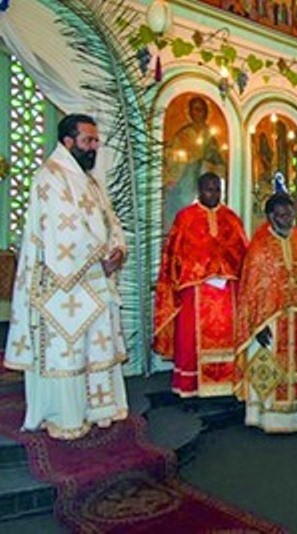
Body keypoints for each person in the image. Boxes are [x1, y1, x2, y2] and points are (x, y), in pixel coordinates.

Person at [4, 114, 128, 439]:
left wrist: (118, 249)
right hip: (62, 287)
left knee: (95, 348)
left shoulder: (90, 181)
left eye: (95, 140)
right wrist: (101, 258)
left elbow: (110, 219)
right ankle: (65, 415)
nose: (94, 146)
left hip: (94, 280)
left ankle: (97, 409)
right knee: (67, 352)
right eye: (88, 140)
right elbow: (63, 231)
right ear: (68, 141)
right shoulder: (51, 176)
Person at [152, 172, 248, 398]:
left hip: (226, 293)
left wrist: (226, 271)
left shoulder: (232, 219)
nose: (213, 194)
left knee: (228, 337)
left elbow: (243, 254)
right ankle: (190, 384)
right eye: (209, 190)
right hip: (194, 292)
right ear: (199, 190)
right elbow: (173, 256)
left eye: (217, 190)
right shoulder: (185, 218)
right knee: (190, 340)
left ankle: (227, 383)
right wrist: (191, 275)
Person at [235, 192, 297, 432]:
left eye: (290, 214)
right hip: (270, 321)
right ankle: (268, 419)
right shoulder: (259, 246)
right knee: (270, 368)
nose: (287, 219)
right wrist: (256, 326)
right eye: (282, 215)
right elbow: (250, 290)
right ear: (271, 217)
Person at [163, 96, 226, 229]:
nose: (198, 113)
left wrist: (208, 162)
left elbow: (217, 159)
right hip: (185, 176)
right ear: (190, 112)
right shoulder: (184, 134)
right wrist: (185, 160)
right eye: (195, 109)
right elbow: (172, 156)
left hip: (203, 173)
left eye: (201, 110)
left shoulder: (209, 136)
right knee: (184, 201)